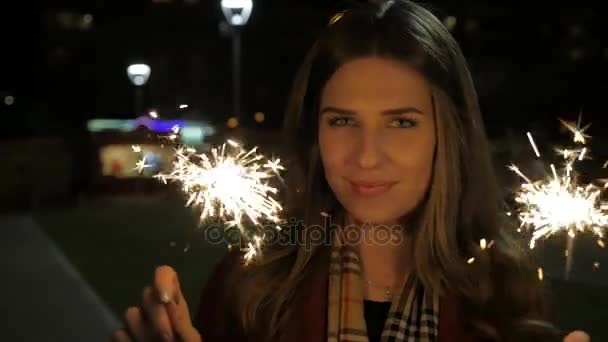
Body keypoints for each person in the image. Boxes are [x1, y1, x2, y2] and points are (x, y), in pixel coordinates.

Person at [112, 1, 590, 341]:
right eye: (342, 120)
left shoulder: (508, 294)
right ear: (313, 132)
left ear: (451, 134)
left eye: (401, 122)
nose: (365, 157)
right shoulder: (249, 286)